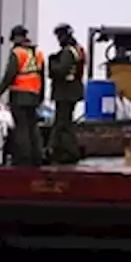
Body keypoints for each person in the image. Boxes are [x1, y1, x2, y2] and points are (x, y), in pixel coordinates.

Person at [0, 25, 45, 166]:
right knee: (33, 127)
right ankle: (37, 156)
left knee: (21, 127)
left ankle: (23, 158)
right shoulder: (37, 53)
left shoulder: (17, 53)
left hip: (20, 95)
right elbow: (41, 76)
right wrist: (41, 96)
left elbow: (10, 75)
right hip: (34, 95)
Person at [48, 23, 85, 165]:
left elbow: (61, 69)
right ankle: (62, 150)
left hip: (65, 92)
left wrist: (52, 64)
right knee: (65, 122)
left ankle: (62, 150)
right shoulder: (77, 49)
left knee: (62, 123)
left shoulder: (68, 52)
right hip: (72, 91)